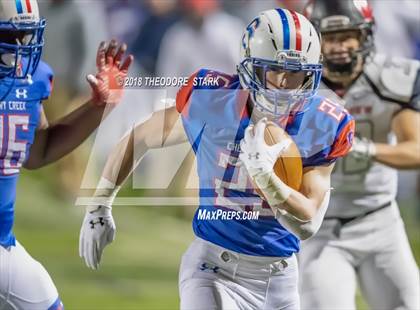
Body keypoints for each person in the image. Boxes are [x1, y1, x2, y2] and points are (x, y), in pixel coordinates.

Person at [79, 9, 354, 309]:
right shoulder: (211, 100)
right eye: (275, 71)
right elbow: (140, 137)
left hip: (280, 279)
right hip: (213, 269)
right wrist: (100, 204)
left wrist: (267, 180)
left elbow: (308, 222)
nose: (286, 85)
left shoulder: (324, 122)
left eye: (298, 75)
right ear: (250, 68)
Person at [0, 0, 133, 309]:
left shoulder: (29, 81)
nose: (21, 47)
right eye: (11, 37)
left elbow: (39, 150)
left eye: (26, 36)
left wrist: (99, 106)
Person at [299, 1, 420, 309]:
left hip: (380, 220)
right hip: (322, 230)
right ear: (315, 40)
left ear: (365, 36)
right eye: (331, 36)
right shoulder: (296, 86)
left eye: (348, 35)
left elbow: (416, 149)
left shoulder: (391, 79)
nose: (340, 46)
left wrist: (361, 147)